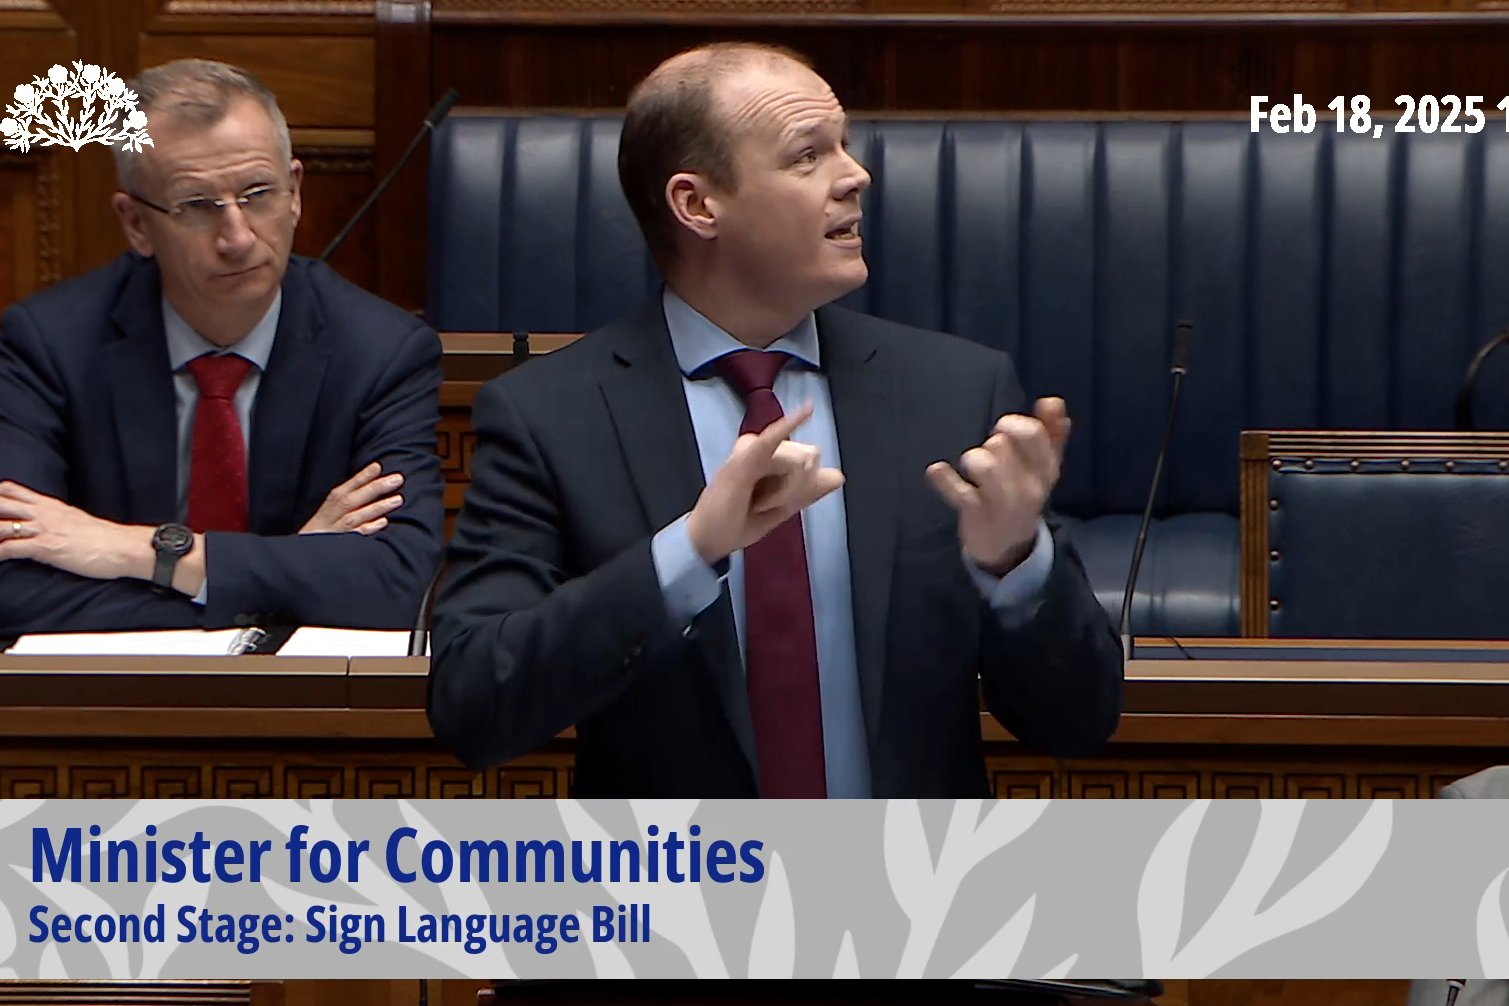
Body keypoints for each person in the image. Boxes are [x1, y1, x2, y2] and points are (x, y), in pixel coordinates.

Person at [428, 43, 1122, 797]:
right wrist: (689, 552)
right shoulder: (548, 416)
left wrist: (1012, 561)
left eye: (845, 146)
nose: (855, 175)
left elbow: (1080, 719)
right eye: (806, 155)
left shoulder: (954, 394)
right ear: (697, 205)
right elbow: (473, 705)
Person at [0, 59, 443, 636]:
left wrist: (143, 553)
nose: (237, 237)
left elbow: (400, 586)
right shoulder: (50, 345)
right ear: (136, 223)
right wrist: (287, 569)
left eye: (257, 194)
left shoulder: (382, 352)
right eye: (196, 206)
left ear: (296, 193)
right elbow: (10, 588)